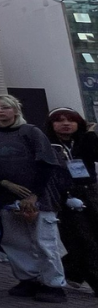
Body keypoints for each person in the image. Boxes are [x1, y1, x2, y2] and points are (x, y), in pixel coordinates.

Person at [0, 95, 68, 303]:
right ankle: (28, 278)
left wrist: (34, 194)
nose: (0, 111)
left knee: (43, 241)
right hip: (7, 196)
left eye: (5, 107)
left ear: (16, 110)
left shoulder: (31, 132)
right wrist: (5, 183)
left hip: (38, 196)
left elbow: (47, 164)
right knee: (15, 241)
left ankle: (53, 283)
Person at [44, 107, 98, 294]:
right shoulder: (47, 144)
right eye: (59, 120)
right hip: (64, 195)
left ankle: (72, 272)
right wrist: (64, 196)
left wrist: (90, 138)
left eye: (71, 120)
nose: (66, 124)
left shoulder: (83, 140)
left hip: (90, 192)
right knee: (83, 239)